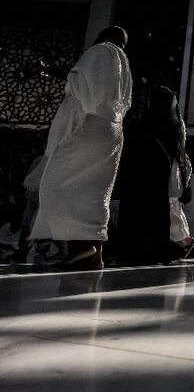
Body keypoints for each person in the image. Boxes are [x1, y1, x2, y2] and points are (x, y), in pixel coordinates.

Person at [29, 26, 132, 271]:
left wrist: (59, 74)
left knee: (57, 186)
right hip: (112, 131)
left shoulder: (100, 51)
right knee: (94, 193)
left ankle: (80, 247)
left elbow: (84, 90)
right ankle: (92, 252)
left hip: (89, 127)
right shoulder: (123, 61)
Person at [115, 87, 192, 265]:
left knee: (137, 217)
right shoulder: (174, 127)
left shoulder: (142, 126)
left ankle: (133, 252)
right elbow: (180, 159)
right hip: (161, 183)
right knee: (157, 217)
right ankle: (156, 251)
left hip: (139, 182)